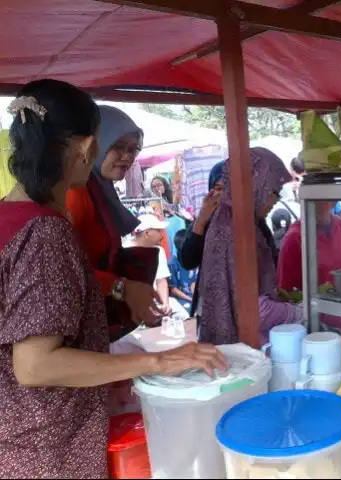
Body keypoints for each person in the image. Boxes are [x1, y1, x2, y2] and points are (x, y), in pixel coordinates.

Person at [0, 79, 227, 479]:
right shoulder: (46, 232)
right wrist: (161, 360)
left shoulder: (8, 216)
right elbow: (34, 366)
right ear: (88, 146)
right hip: (46, 449)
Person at [66, 105, 161, 334]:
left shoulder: (100, 189)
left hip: (90, 316)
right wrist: (123, 288)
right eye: (117, 146)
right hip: (72, 323)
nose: (127, 156)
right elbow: (64, 268)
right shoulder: (76, 192)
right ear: (94, 145)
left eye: (133, 149)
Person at [199, 148, 304, 345]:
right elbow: (255, 310)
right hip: (245, 346)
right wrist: (299, 312)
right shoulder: (240, 232)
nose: (276, 199)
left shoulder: (231, 220)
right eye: (274, 191)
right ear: (256, 186)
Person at [277, 201, 341, 330]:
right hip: (314, 324)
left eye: (321, 200)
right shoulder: (294, 238)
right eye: (310, 201)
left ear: (333, 202)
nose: (315, 205)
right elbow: (284, 291)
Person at [178, 161, 225, 316]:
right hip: (210, 304)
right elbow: (188, 260)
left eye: (229, 189)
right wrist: (202, 219)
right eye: (218, 189)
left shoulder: (251, 221)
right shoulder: (203, 222)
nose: (223, 195)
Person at [126, 214, 173, 316]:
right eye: (159, 231)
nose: (162, 235)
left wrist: (165, 304)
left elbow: (161, 281)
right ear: (147, 233)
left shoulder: (159, 251)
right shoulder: (124, 251)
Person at [170, 229, 197, 312]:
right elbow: (173, 289)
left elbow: (194, 283)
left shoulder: (196, 261)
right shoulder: (172, 264)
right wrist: (190, 299)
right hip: (181, 299)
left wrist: (195, 298)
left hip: (194, 297)